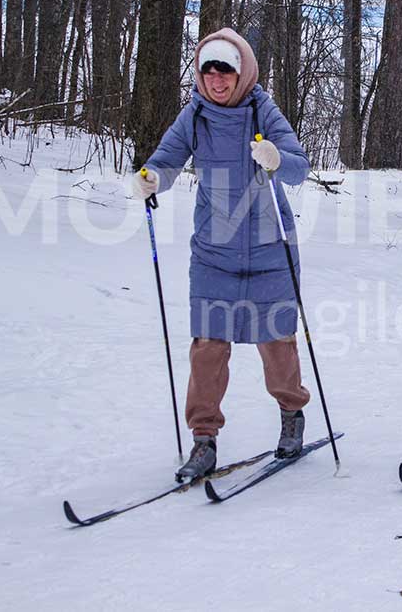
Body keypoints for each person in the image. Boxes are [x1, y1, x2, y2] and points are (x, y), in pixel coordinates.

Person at [131, 27, 312, 482]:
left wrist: (275, 158)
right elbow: (167, 158)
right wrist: (152, 177)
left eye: (225, 71)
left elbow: (299, 167)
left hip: (271, 250)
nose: (216, 80)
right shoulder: (195, 115)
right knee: (207, 350)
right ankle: (203, 440)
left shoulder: (262, 110)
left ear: (241, 73)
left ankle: (292, 416)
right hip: (214, 253)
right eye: (209, 71)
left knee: (278, 348)